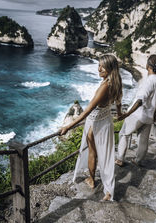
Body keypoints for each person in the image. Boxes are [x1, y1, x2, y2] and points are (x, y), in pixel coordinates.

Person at [60, 54, 122, 201]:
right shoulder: (116, 83)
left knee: (92, 153)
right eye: (99, 65)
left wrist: (68, 126)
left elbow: (87, 111)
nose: (99, 68)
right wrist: (120, 114)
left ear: (110, 68)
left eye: (102, 66)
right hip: (106, 121)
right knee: (106, 157)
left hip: (95, 123)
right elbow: (119, 101)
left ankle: (93, 180)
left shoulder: (105, 86)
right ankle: (108, 189)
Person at [115, 54, 156, 167]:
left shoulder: (148, 82)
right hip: (150, 116)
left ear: (148, 65)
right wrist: (155, 114)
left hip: (139, 114)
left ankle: (120, 159)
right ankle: (138, 160)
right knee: (143, 140)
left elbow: (139, 101)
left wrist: (127, 114)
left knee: (123, 134)